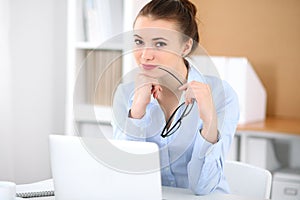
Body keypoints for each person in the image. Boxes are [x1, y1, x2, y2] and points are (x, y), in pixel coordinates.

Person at [111, 0, 239, 195]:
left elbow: (203, 187)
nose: (145, 55)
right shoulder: (124, 94)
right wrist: (137, 111)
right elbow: (126, 177)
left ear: (186, 47)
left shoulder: (222, 95)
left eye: (160, 44)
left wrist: (209, 123)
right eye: (139, 42)